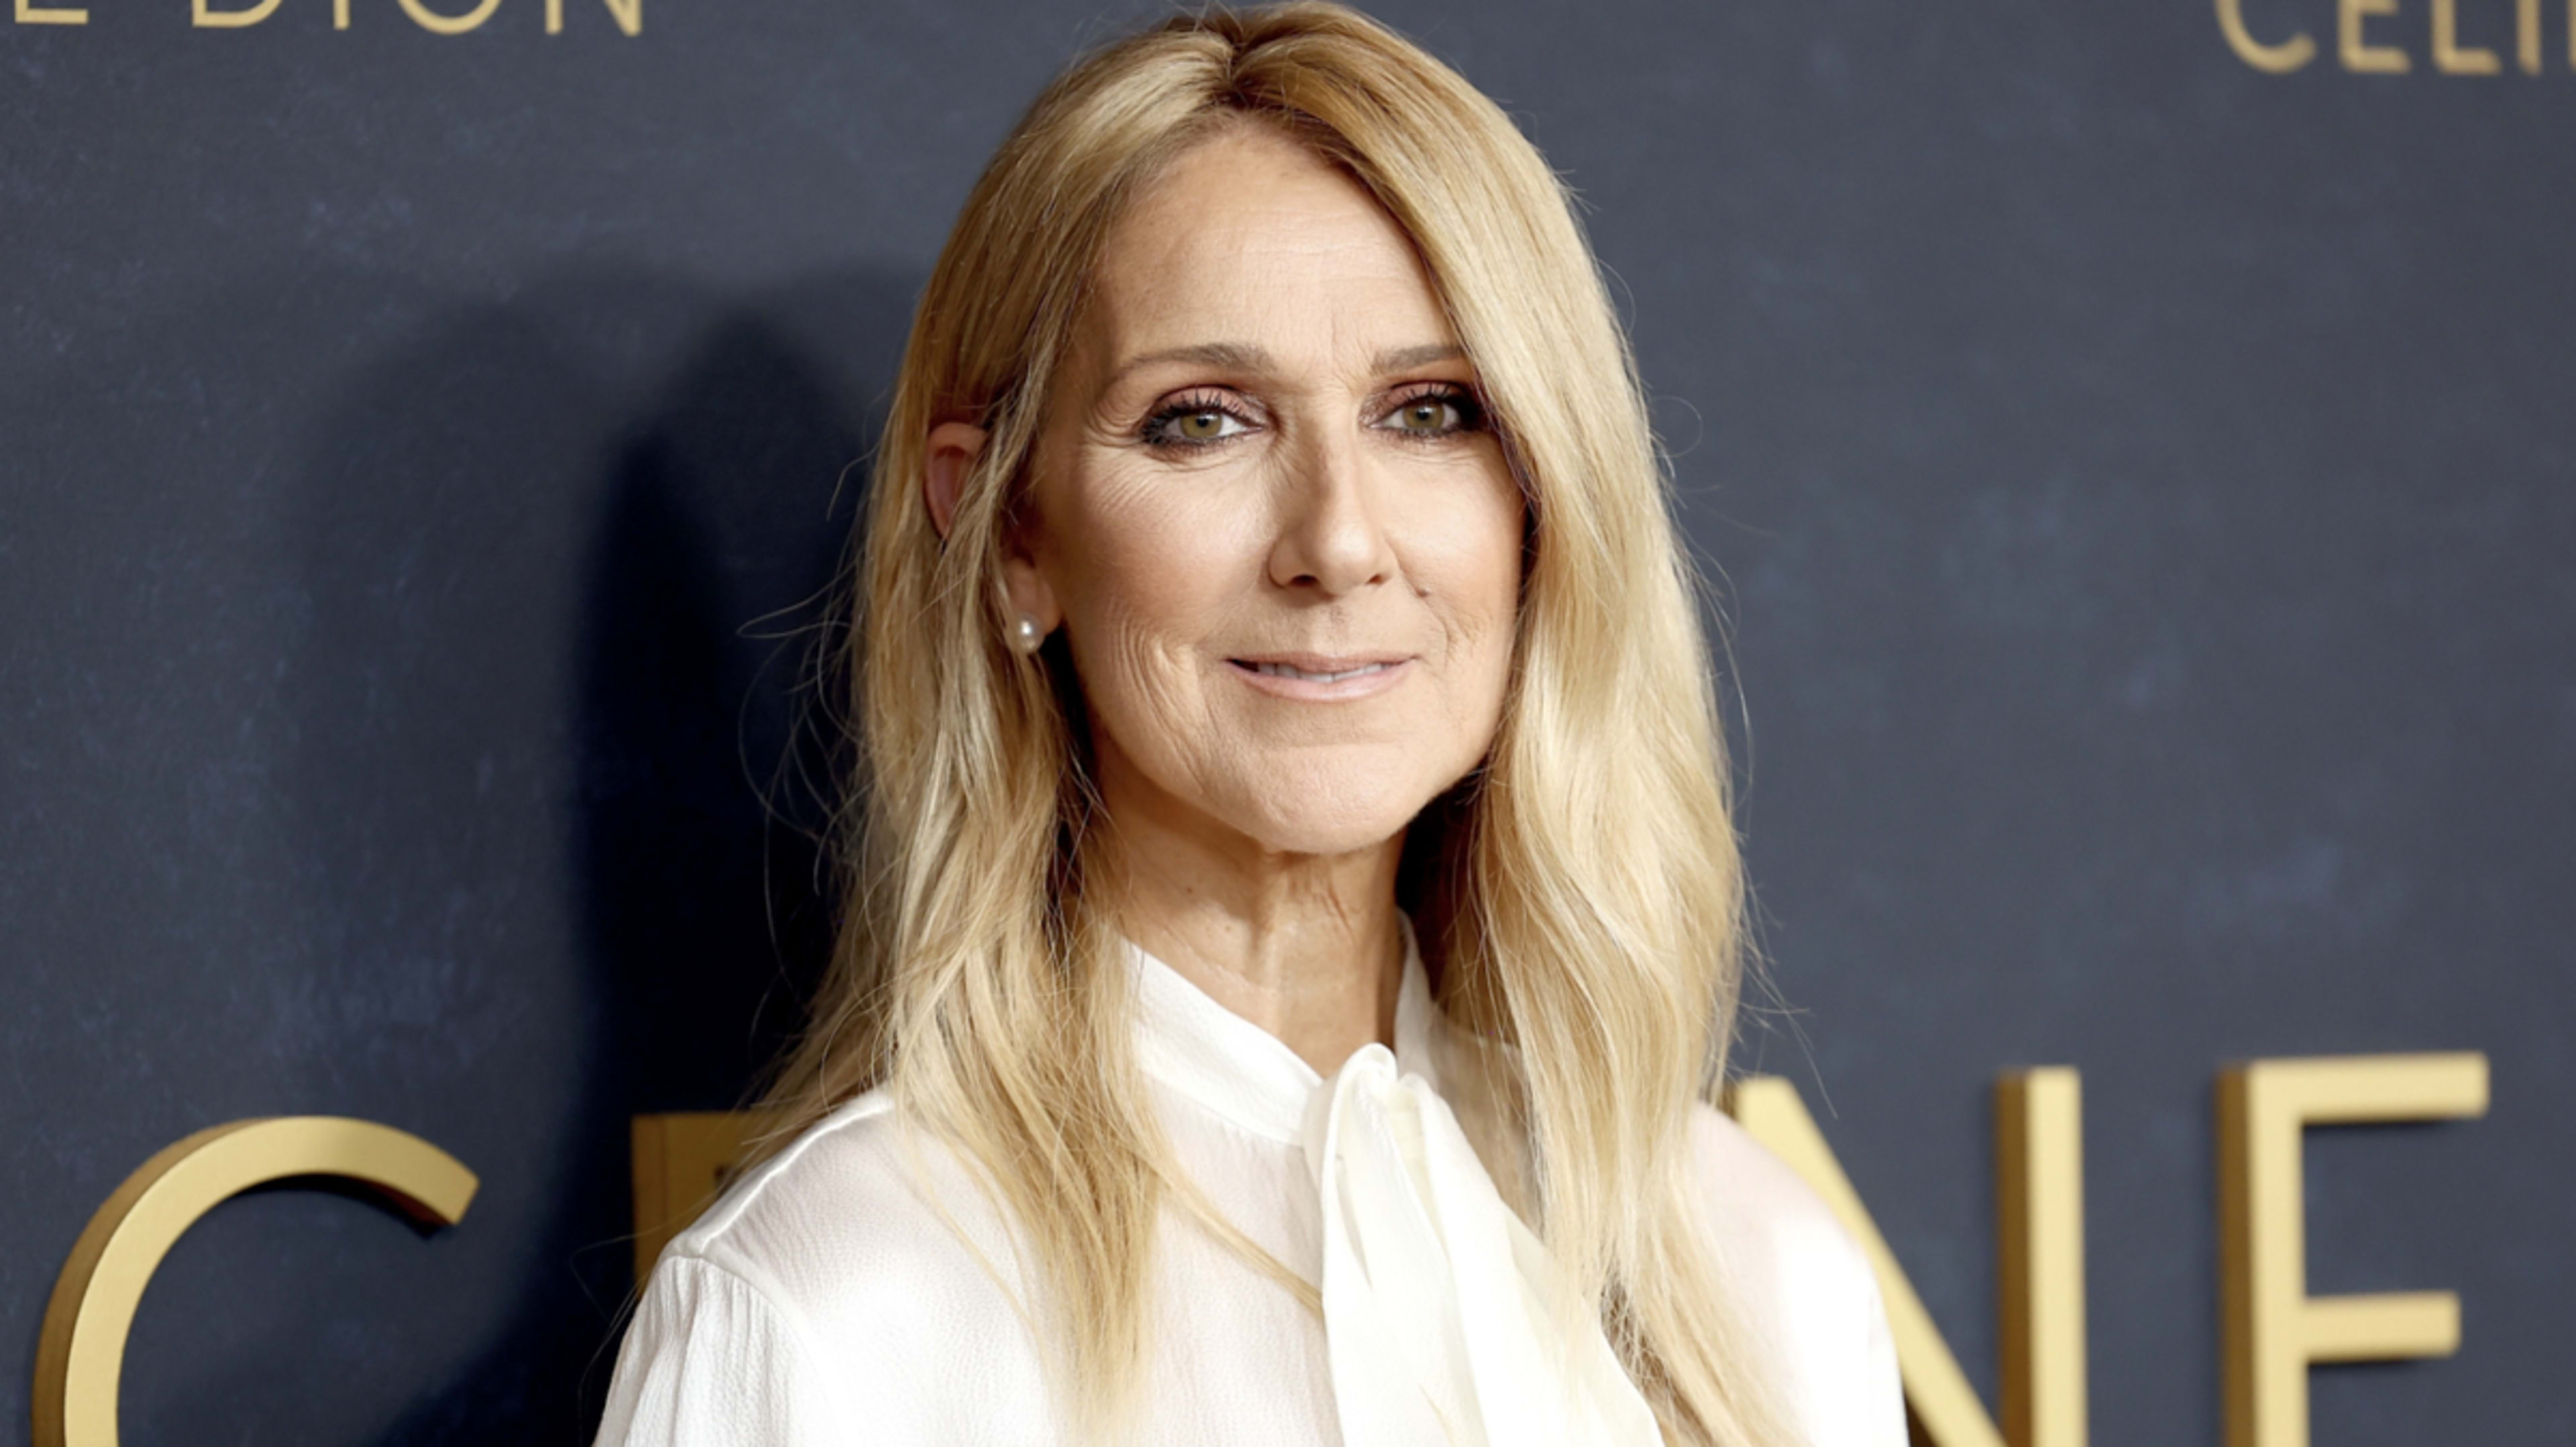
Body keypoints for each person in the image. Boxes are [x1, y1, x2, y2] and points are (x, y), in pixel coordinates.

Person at [592, 5, 1902, 1444]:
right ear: (1011, 527)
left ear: (1543, 500)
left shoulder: (1753, 1263)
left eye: (1433, 411)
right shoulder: (836, 1316)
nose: (1338, 540)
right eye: (1204, 418)